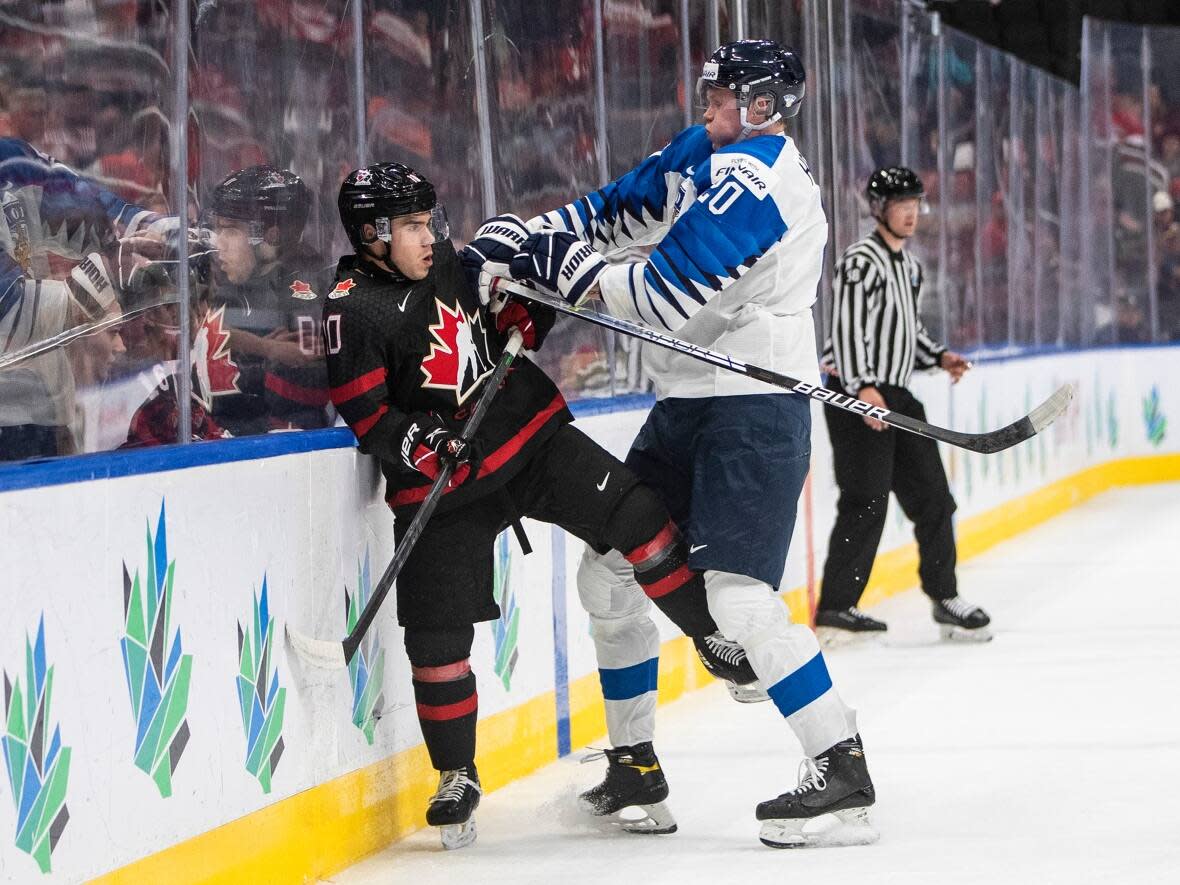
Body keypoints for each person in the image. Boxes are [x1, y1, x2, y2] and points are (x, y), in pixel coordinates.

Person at [505, 39, 877, 849]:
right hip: (688, 397)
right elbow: (611, 211)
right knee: (608, 571)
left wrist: (557, 265)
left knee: (738, 599)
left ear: (765, 106)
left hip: (754, 405)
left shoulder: (759, 178)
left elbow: (662, 298)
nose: (705, 105)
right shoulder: (706, 147)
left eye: (722, 95)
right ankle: (636, 770)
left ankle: (843, 773)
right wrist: (525, 238)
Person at [323, 163, 754, 849]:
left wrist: (526, 307)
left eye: (427, 220)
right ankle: (456, 774)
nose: (427, 236)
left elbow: (509, 284)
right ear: (372, 235)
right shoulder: (352, 309)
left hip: (523, 434)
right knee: (435, 635)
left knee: (638, 518)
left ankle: (709, 633)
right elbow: (367, 415)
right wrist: (422, 441)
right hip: (445, 489)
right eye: (408, 226)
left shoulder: (447, 264)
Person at [816, 166, 990, 643]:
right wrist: (862, 389)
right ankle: (836, 609)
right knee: (865, 500)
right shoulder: (859, 261)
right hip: (856, 396)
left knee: (935, 498)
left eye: (916, 204)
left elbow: (908, 331)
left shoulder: (910, 268)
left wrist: (939, 356)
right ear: (879, 210)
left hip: (895, 394)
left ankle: (945, 597)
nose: (911, 214)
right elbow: (846, 330)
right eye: (901, 205)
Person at [206, 166, 333, 435]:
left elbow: (305, 389)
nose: (218, 243)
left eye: (230, 231)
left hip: (288, 446)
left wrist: (257, 362)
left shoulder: (304, 292)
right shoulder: (226, 286)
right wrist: (264, 350)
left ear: (269, 237)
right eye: (217, 230)